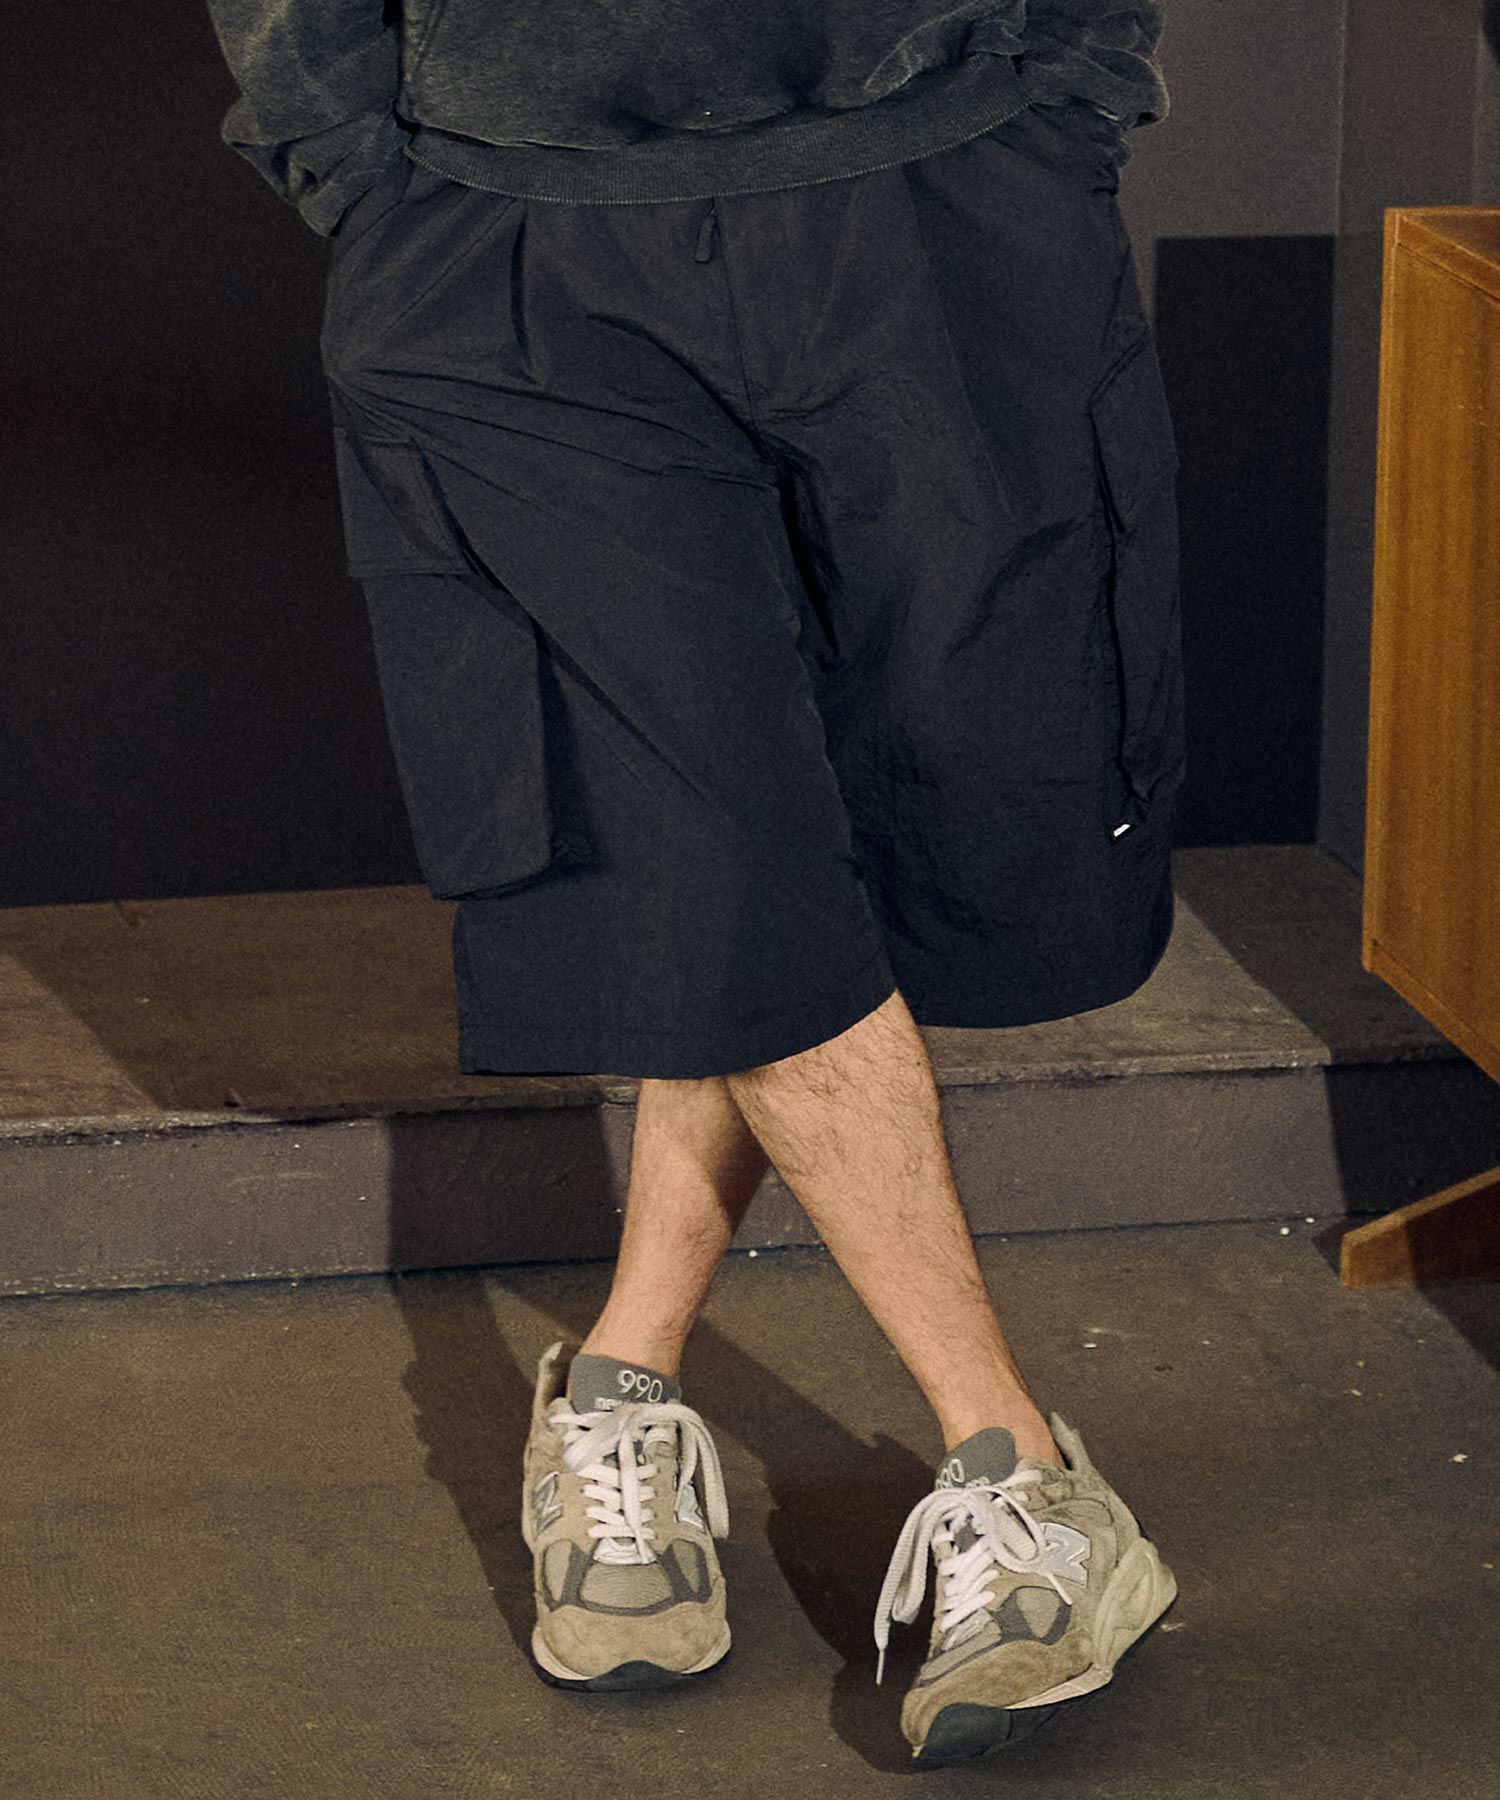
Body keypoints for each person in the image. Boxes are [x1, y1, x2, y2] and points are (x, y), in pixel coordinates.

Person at [206, 0, 1183, 1764]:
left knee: (816, 835)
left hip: (936, 181)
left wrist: (1070, 84)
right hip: (510, 232)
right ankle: (1019, 1465)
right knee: (694, 842)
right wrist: (357, 164)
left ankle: (623, 1377)